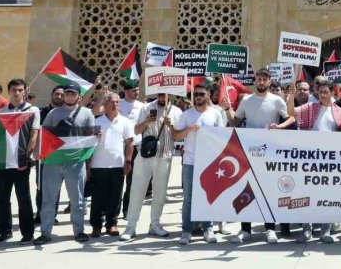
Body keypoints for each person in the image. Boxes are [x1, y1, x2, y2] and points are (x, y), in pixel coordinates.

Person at [231, 68, 294, 244]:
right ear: (255, 80)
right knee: (246, 189)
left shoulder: (277, 100)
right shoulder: (246, 100)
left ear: (269, 81)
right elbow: (234, 121)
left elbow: (291, 118)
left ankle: (270, 229)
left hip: (269, 152)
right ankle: (245, 230)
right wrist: (228, 109)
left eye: (264, 79)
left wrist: (280, 127)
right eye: (259, 79)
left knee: (268, 191)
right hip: (249, 151)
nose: (261, 82)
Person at [35, 84, 96, 244]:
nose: (69, 97)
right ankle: (45, 232)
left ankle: (79, 231)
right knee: (48, 199)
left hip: (76, 163)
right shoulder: (53, 113)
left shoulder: (87, 113)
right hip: (53, 162)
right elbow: (44, 134)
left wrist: (97, 137)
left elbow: (91, 137)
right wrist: (37, 150)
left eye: (72, 94)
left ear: (78, 96)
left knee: (77, 200)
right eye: (67, 94)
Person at [288, 80, 341, 243]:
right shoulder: (310, 107)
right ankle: (307, 230)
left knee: (328, 196)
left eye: (325, 92)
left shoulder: (339, 111)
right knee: (307, 195)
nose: (322, 95)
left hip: (331, 161)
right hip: (310, 159)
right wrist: (291, 96)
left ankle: (325, 231)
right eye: (320, 92)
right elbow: (291, 112)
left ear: (332, 93)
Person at [172, 82, 229, 245]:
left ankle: (208, 229)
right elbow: (176, 136)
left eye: (201, 94)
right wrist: (188, 130)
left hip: (209, 163)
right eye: (196, 94)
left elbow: (221, 136)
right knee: (188, 198)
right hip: (190, 162)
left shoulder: (215, 114)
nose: (198, 97)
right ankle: (186, 231)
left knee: (207, 196)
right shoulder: (186, 115)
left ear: (208, 95)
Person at [121, 92, 182, 240]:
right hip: (146, 155)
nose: (161, 98)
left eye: (164, 95)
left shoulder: (176, 111)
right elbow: (136, 130)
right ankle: (131, 226)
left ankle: (155, 224)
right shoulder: (146, 108)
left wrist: (171, 126)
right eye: (159, 95)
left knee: (160, 193)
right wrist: (147, 121)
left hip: (165, 155)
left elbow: (178, 136)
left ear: (170, 95)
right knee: (137, 190)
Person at [0, 79, 40, 244]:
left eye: (20, 90)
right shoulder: (1, 112)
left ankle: (28, 233)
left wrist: (26, 157)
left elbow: (34, 135)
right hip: (2, 162)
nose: (17, 93)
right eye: (14, 90)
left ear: (25, 91)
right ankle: (5, 232)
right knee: (1, 199)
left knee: (23, 199)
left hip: (21, 161)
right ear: (9, 91)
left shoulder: (32, 110)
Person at [88, 92, 134, 238]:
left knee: (115, 197)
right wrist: (87, 166)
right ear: (105, 104)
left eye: (117, 102)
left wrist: (128, 161)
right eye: (112, 102)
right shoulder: (97, 122)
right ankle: (96, 225)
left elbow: (130, 143)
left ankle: (111, 224)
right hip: (98, 165)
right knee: (98, 197)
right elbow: (89, 144)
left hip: (117, 165)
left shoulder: (125, 122)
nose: (115, 105)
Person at [35, 85, 64, 224]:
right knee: (40, 185)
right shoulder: (41, 112)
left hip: (58, 155)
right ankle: (40, 214)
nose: (59, 97)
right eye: (57, 94)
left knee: (55, 187)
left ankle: (52, 215)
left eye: (62, 95)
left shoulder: (65, 113)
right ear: (51, 95)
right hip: (42, 154)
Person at [117, 84, 145, 219]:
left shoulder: (142, 106)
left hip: (135, 146)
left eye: (137, 90)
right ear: (126, 91)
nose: (137, 92)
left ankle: (127, 210)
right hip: (119, 146)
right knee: (117, 181)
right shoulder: (118, 104)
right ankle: (113, 212)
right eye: (134, 90)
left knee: (132, 182)